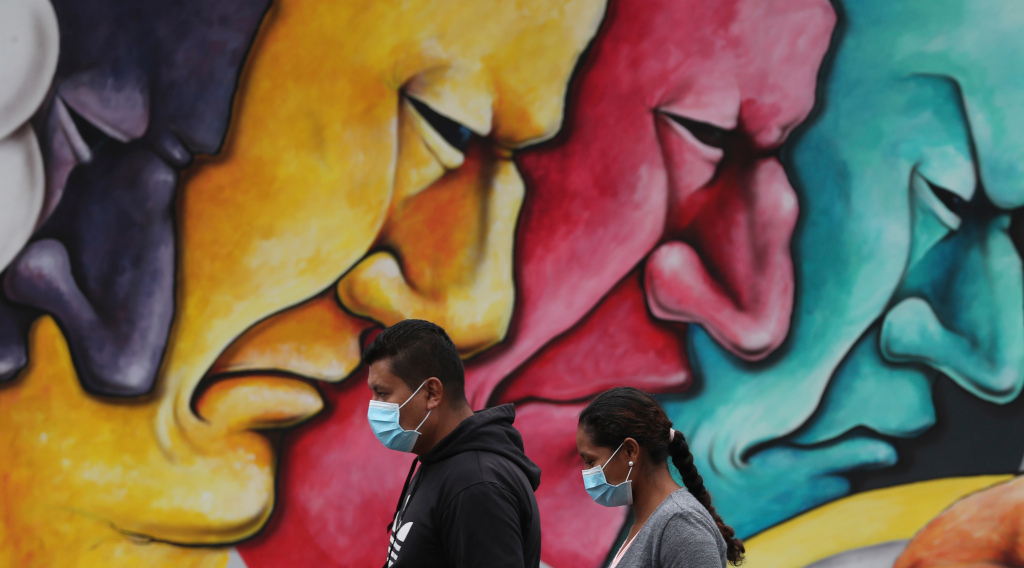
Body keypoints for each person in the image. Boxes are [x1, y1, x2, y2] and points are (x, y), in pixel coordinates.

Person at [365, 319, 542, 568]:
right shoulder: (442, 463)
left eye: (383, 393)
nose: (375, 406)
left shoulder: (476, 485)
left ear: (432, 393)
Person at [577, 387, 744, 567]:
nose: (587, 472)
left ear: (629, 451)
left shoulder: (681, 523)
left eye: (591, 461)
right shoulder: (655, 521)